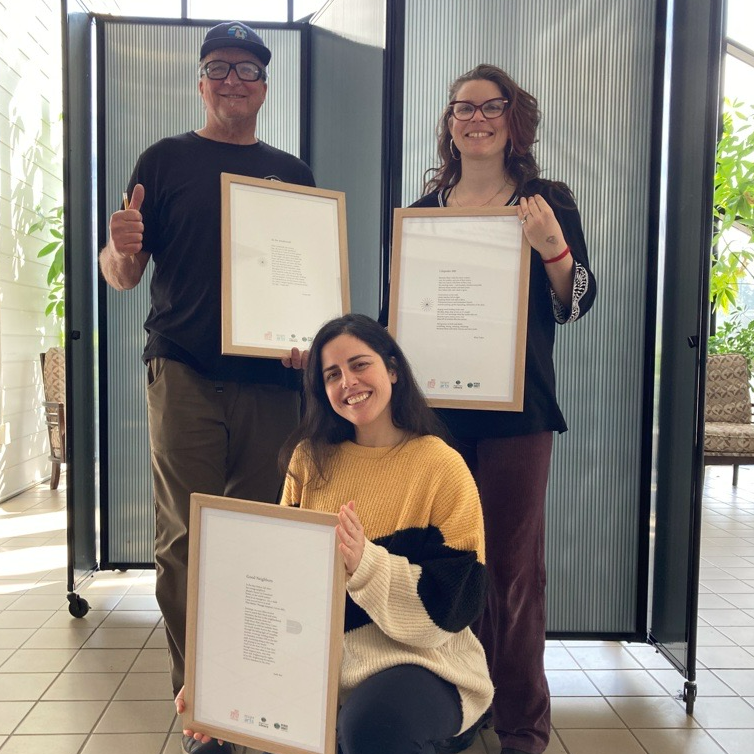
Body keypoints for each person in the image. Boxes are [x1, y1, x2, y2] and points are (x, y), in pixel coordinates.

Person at [99, 21, 314, 754]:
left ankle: (250, 704)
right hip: (183, 370)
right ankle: (203, 711)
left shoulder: (292, 172)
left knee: (258, 545)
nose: (233, 80)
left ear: (264, 86)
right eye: (219, 67)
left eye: (247, 69)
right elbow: (125, 276)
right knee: (187, 544)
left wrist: (307, 341)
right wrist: (116, 249)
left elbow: (305, 288)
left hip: (269, 388)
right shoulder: (164, 160)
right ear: (200, 80)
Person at [178, 314, 493, 754]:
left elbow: (453, 607)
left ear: (393, 370)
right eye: (332, 374)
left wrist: (366, 563)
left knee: (369, 727)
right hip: (317, 662)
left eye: (360, 365)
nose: (348, 381)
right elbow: (272, 586)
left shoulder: (441, 466)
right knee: (207, 742)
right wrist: (217, 677)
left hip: (422, 661)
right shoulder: (309, 459)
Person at [408, 65, 597, 754]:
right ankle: (458, 707)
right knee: (447, 562)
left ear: (516, 120)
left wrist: (553, 246)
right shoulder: (422, 213)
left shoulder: (547, 201)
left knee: (513, 572)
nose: (477, 118)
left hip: (521, 417)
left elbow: (573, 303)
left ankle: (520, 724)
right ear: (450, 123)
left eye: (493, 107)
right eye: (463, 107)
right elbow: (400, 315)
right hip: (436, 419)